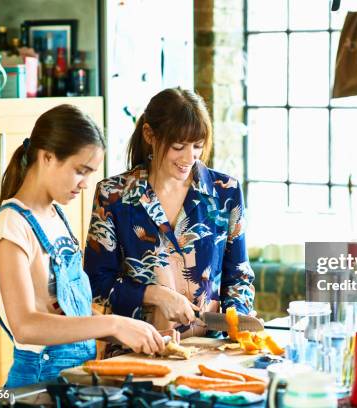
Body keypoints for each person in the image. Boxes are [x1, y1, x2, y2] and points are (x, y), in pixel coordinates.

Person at [0, 105, 175, 388]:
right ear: (47, 157)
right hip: (38, 382)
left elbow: (71, 315)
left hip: (75, 376)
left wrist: (139, 331)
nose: (85, 184)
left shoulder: (56, 216)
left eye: (90, 173)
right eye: (80, 171)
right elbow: (26, 326)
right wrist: (114, 324)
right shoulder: (12, 225)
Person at [84, 88, 255, 351]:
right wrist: (155, 295)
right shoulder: (113, 196)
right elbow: (96, 285)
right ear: (150, 135)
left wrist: (238, 318)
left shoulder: (225, 192)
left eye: (197, 146)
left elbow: (238, 277)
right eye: (178, 147)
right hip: (137, 353)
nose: (189, 158)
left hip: (211, 353)